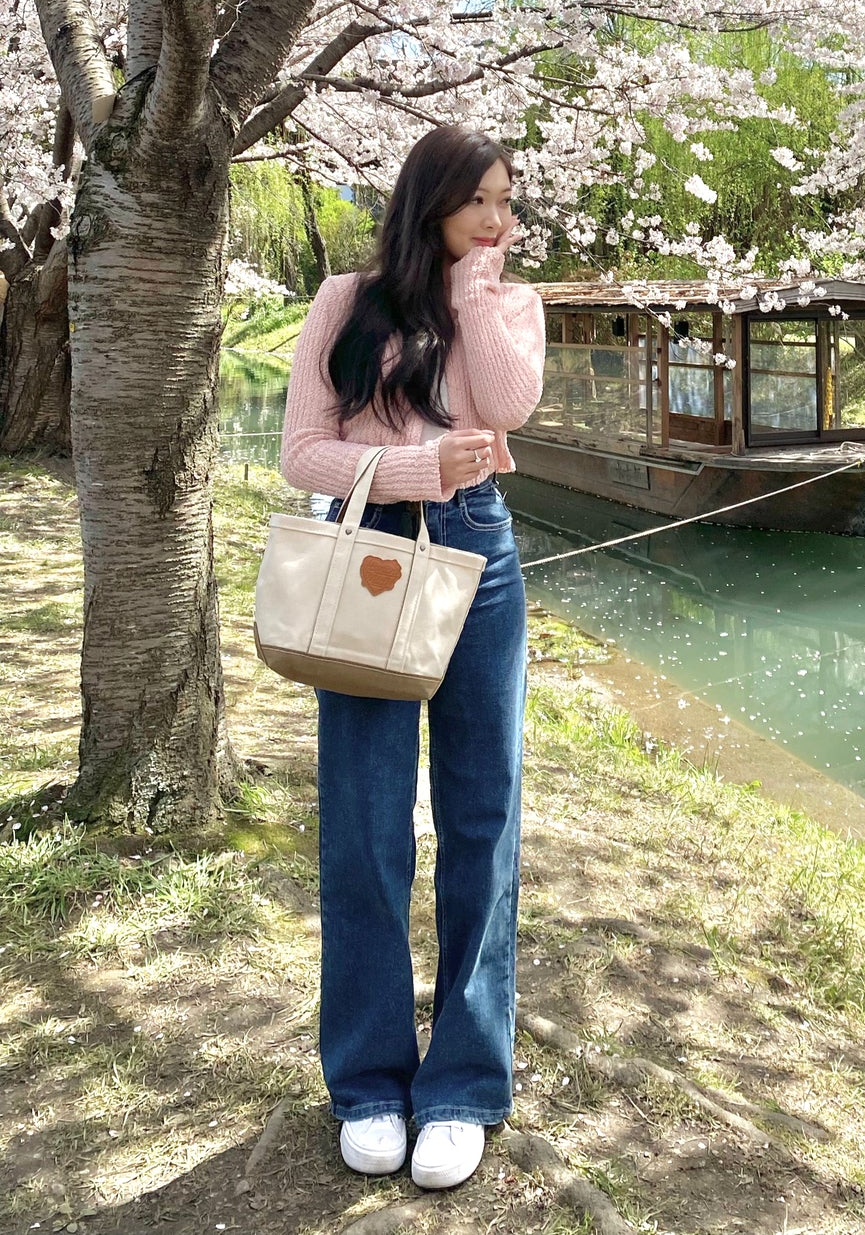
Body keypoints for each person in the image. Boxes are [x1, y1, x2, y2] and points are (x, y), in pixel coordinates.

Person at [279, 126, 545, 1191]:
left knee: (481, 815)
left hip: (478, 552)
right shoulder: (345, 302)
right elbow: (303, 450)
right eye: (475, 199)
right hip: (369, 549)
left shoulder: (512, 303)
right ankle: (368, 1078)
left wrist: (476, 291)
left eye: (504, 199)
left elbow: (512, 405)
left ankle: (463, 1084)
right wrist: (415, 462)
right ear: (426, 199)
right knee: (364, 819)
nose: (494, 217)